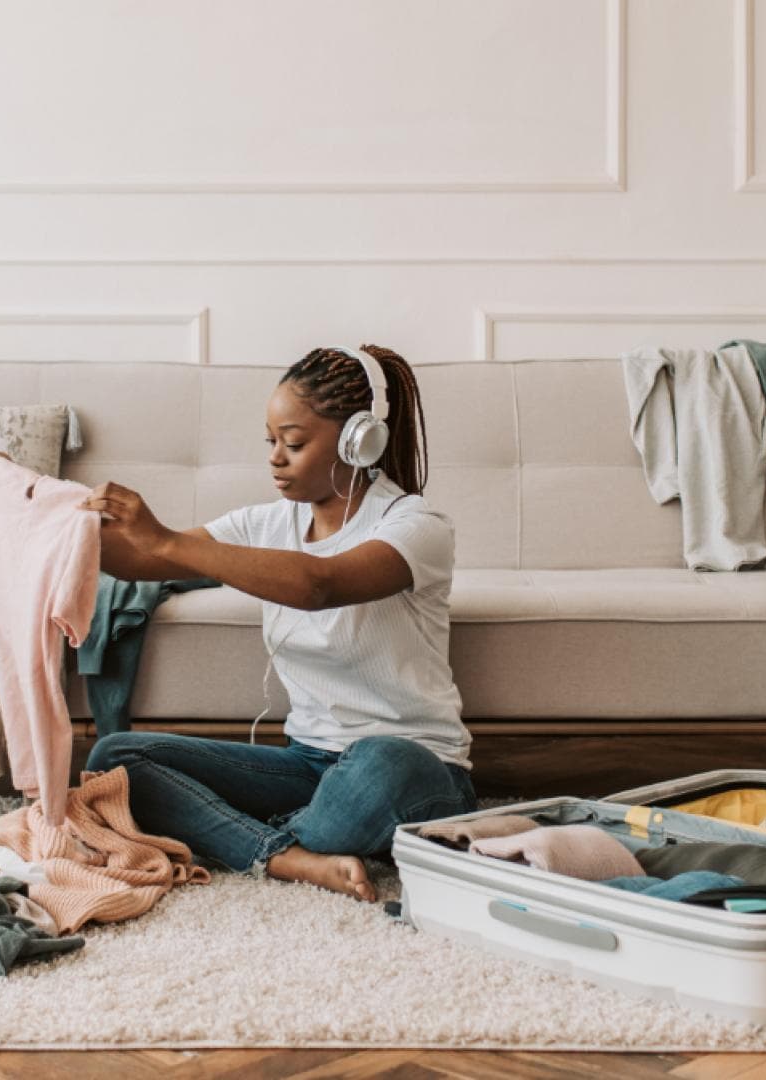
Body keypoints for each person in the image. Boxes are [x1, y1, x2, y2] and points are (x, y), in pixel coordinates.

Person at [79, 345, 474, 901]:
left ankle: (251, 836)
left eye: (293, 443)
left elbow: (320, 585)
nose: (276, 459)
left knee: (379, 759)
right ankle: (291, 856)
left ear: (357, 440)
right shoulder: (263, 523)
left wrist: (165, 538)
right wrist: (29, 504)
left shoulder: (415, 525)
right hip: (308, 763)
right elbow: (139, 560)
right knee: (116, 758)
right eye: (271, 442)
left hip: (415, 768)